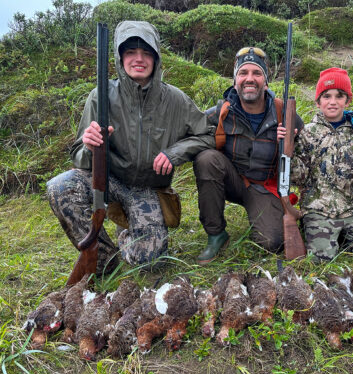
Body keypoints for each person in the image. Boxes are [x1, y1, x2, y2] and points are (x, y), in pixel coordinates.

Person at [46, 20, 214, 273]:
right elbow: (78, 158)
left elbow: (208, 135)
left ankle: (127, 233)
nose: (139, 59)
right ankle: (103, 258)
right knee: (60, 186)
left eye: (147, 52)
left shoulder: (176, 99)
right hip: (110, 182)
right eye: (131, 52)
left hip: (147, 188)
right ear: (119, 57)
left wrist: (174, 153)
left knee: (151, 261)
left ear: (156, 58)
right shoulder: (100, 96)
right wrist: (89, 147)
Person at [193, 47, 304, 264]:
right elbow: (189, 132)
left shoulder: (285, 113)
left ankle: (267, 216)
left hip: (264, 187)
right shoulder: (221, 112)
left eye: (257, 73)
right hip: (231, 181)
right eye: (243, 73)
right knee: (206, 159)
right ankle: (216, 234)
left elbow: (308, 155)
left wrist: (293, 142)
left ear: (266, 81)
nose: (249, 79)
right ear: (235, 81)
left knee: (272, 242)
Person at [291, 67, 353, 264]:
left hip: (351, 209)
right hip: (318, 209)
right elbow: (298, 177)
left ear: (347, 100)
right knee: (321, 260)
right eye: (326, 96)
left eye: (339, 96)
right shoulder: (307, 133)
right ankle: (326, 235)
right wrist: (288, 150)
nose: (332, 102)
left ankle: (343, 235)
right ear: (318, 101)